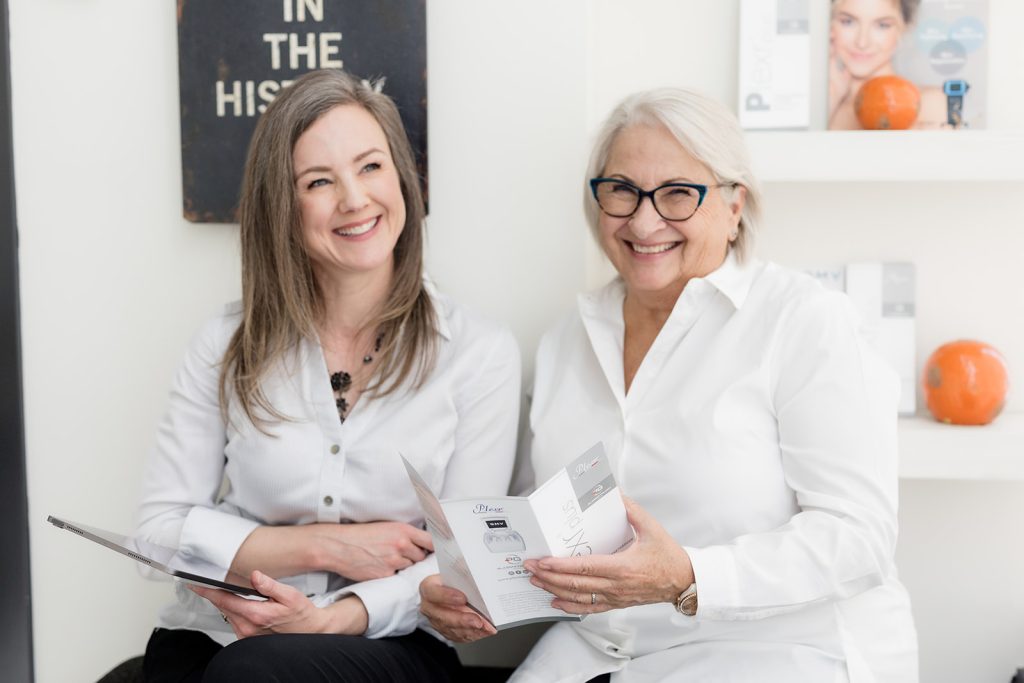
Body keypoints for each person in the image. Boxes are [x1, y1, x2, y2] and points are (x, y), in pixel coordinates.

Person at [420, 87, 919, 682]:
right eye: (622, 191)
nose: (644, 220)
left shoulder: (803, 321)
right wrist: (479, 588)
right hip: (598, 653)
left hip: (778, 653)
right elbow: (548, 524)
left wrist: (687, 575)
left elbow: (858, 538)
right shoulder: (566, 342)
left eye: (679, 194)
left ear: (735, 207)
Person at [136, 68, 521, 683]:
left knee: (254, 675)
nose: (354, 199)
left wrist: (337, 615)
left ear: (402, 176)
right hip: (221, 632)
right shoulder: (224, 345)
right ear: (284, 208)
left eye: (370, 167)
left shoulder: (479, 354)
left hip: (388, 643)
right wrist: (321, 547)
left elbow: (466, 560)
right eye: (319, 181)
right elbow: (155, 535)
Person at [829, 0, 945, 130]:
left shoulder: (927, 104)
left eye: (882, 25)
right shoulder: (820, 107)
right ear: (828, 26)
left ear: (904, 28)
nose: (862, 42)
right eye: (847, 22)